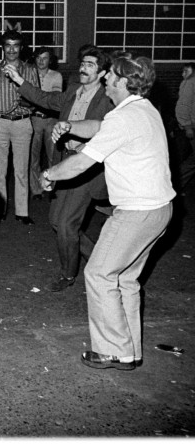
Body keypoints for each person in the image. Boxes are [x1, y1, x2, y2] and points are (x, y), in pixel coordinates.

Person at [42, 54, 174, 371]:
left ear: (124, 82)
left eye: (111, 75)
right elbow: (100, 127)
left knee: (99, 274)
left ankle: (113, 351)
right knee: (125, 279)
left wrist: (49, 174)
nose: (105, 79)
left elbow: (81, 163)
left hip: (136, 213)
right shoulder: (143, 109)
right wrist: (71, 125)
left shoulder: (124, 117)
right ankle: (130, 350)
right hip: (159, 210)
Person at [3, 45, 113, 292]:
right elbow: (45, 98)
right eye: (83, 63)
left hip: (86, 166)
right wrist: (19, 79)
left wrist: (81, 136)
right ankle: (100, 260)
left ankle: (68, 274)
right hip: (64, 162)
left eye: (90, 65)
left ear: (102, 73)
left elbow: (107, 130)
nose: (84, 68)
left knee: (66, 224)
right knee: (56, 221)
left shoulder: (107, 99)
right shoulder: (73, 90)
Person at [0, 31, 40, 225]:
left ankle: (22, 212)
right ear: (3, 48)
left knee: (21, 169)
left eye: (15, 45)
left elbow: (36, 100)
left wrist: (23, 100)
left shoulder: (30, 70)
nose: (12, 50)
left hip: (22, 122)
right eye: (8, 45)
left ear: (21, 47)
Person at [27, 46, 63, 198]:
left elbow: (54, 98)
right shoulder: (29, 74)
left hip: (50, 120)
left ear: (50, 60)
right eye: (38, 58)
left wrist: (35, 98)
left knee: (52, 156)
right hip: (33, 119)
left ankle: (52, 187)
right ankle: (36, 189)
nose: (41, 61)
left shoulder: (56, 76)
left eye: (45, 58)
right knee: (33, 157)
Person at [174, 62, 195, 192]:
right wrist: (187, 126)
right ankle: (175, 185)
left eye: (186, 71)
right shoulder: (190, 83)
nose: (183, 74)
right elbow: (182, 106)